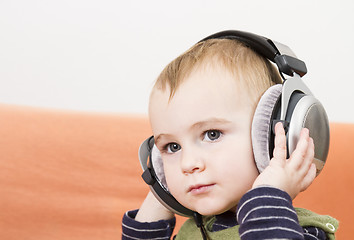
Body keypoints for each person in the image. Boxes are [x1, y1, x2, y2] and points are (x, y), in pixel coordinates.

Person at [122, 32, 338, 239]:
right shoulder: (195, 231)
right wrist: (161, 195)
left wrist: (269, 195)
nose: (188, 164)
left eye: (212, 134)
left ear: (267, 139)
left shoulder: (302, 230)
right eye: (172, 147)